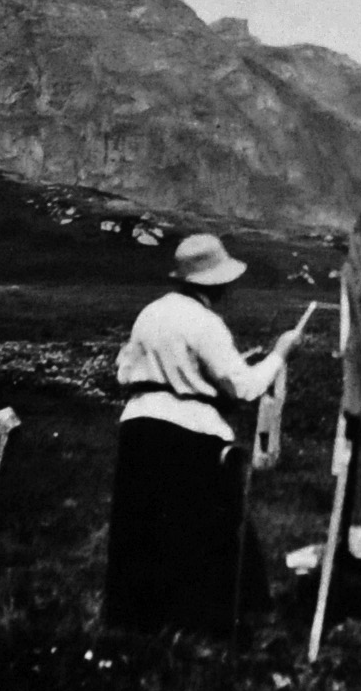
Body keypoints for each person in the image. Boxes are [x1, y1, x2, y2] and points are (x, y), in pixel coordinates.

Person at [102, 232, 306, 638]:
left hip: (139, 426)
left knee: (140, 528)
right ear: (218, 283)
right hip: (190, 433)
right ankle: (206, 624)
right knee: (202, 530)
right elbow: (245, 389)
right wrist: (280, 353)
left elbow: (128, 369)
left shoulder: (150, 313)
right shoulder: (206, 323)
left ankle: (133, 623)